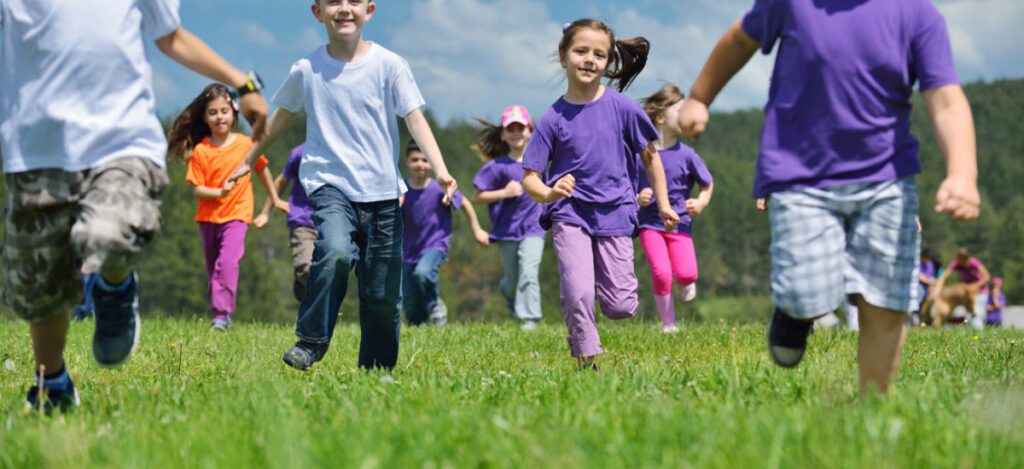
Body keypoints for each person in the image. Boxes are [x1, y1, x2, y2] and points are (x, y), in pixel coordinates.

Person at [676, 0, 980, 393]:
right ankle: (795, 312)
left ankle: (871, 407)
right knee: (808, 292)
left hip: (887, 179)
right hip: (801, 177)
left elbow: (947, 100)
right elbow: (739, 39)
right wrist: (700, 97)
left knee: (886, 303)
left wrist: (962, 173)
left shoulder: (916, 14)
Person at [1, 0, 268, 412]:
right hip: (37, 148)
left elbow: (172, 36)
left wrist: (243, 85)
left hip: (121, 140)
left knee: (109, 233)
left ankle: (115, 286)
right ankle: (51, 384)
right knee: (40, 281)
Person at [229, 0, 457, 371]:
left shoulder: (390, 65)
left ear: (369, 9)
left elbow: (415, 119)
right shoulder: (307, 69)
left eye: (353, 1)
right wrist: (247, 160)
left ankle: (376, 369)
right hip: (330, 184)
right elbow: (280, 119)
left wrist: (441, 169)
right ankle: (311, 341)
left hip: (382, 191)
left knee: (382, 293)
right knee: (334, 251)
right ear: (317, 12)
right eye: (333, 1)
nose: (344, 8)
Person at [522, 19, 680, 369]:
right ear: (563, 57)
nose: (589, 59)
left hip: (616, 213)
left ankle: (602, 304)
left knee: (620, 306)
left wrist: (664, 204)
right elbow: (530, 178)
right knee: (577, 290)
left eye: (599, 54)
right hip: (570, 213)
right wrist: (549, 193)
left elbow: (651, 158)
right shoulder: (552, 118)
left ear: (608, 63)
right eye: (581, 51)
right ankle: (586, 360)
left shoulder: (623, 108)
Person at [168, 84, 286, 331]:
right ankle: (222, 315)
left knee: (228, 264)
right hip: (208, 217)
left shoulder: (246, 144)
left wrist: (274, 199)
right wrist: (219, 192)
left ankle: (221, 316)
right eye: (213, 112)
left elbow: (262, 169)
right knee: (214, 269)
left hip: (237, 214)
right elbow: (197, 189)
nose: (219, 117)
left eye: (224, 111)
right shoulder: (201, 150)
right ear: (204, 117)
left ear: (234, 113)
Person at [636, 84, 714, 333]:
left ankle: (685, 282)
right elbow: (625, 184)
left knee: (688, 274)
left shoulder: (688, 155)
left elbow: (707, 183)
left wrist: (701, 202)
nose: (686, 116)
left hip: (680, 223)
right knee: (660, 273)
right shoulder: (641, 154)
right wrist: (638, 197)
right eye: (679, 111)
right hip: (649, 223)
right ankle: (668, 323)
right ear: (660, 118)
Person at [471, 105, 547, 330]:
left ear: (530, 131)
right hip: (506, 231)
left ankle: (530, 318)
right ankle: (507, 290)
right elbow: (477, 196)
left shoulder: (539, 163)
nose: (516, 133)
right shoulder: (496, 166)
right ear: (503, 134)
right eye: (510, 129)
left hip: (534, 228)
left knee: (529, 271)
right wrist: (504, 193)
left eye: (520, 128)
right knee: (514, 280)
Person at [401, 141, 489, 326]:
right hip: (407, 250)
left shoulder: (439, 188)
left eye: (425, 160)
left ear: (432, 164)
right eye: (415, 159)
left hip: (435, 245)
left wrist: (476, 229)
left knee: (423, 273)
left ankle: (435, 303)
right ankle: (421, 331)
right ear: (407, 161)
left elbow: (465, 204)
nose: (420, 164)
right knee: (410, 304)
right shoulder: (402, 190)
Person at [254, 143, 317, 302]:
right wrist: (265, 212)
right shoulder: (300, 153)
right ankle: (302, 279)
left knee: (328, 270)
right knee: (308, 268)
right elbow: (282, 181)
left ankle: (318, 309)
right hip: (302, 220)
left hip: (333, 220)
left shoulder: (343, 151)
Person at [934, 248, 991, 329]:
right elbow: (944, 276)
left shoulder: (974, 263)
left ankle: (980, 331)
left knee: (978, 312)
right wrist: (938, 288)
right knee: (968, 314)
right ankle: (971, 333)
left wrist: (976, 285)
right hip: (967, 293)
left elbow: (987, 276)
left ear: (964, 258)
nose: (956, 260)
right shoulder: (956, 264)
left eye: (958, 258)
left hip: (980, 292)